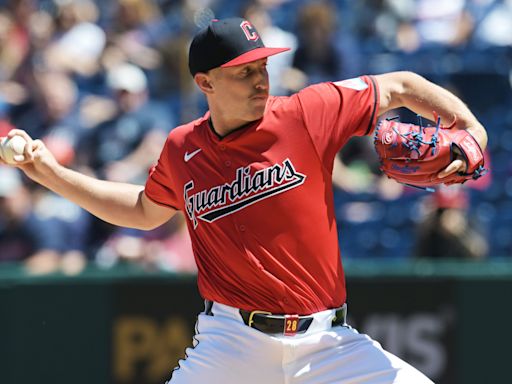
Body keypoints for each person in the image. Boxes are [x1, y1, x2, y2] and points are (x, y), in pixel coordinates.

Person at [2, 17, 487, 383]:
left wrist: (470, 127)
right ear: (205, 83)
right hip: (231, 343)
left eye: (262, 67)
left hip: (328, 343)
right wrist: (52, 174)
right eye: (242, 72)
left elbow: (399, 85)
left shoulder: (306, 113)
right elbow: (143, 211)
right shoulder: (182, 148)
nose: (260, 80)